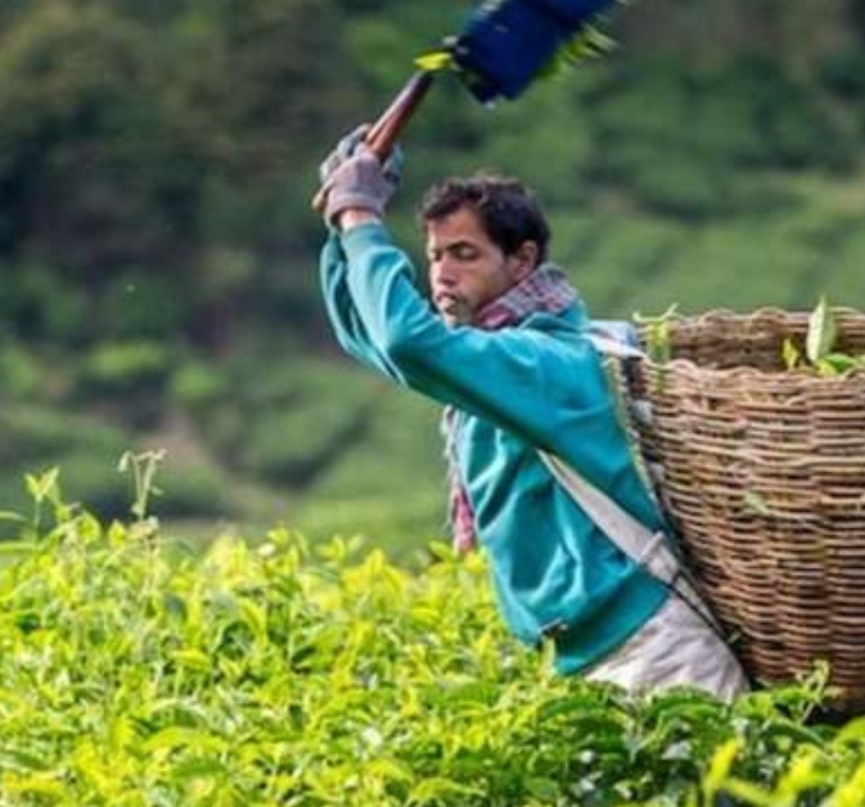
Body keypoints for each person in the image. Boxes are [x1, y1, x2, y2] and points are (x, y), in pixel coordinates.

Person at [316, 129, 745, 701]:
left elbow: (405, 343)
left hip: (656, 650)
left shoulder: (544, 360)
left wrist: (361, 214)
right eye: (436, 256)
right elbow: (369, 335)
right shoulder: (485, 362)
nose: (442, 274)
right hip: (584, 657)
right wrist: (341, 225)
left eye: (465, 254)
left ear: (522, 261)